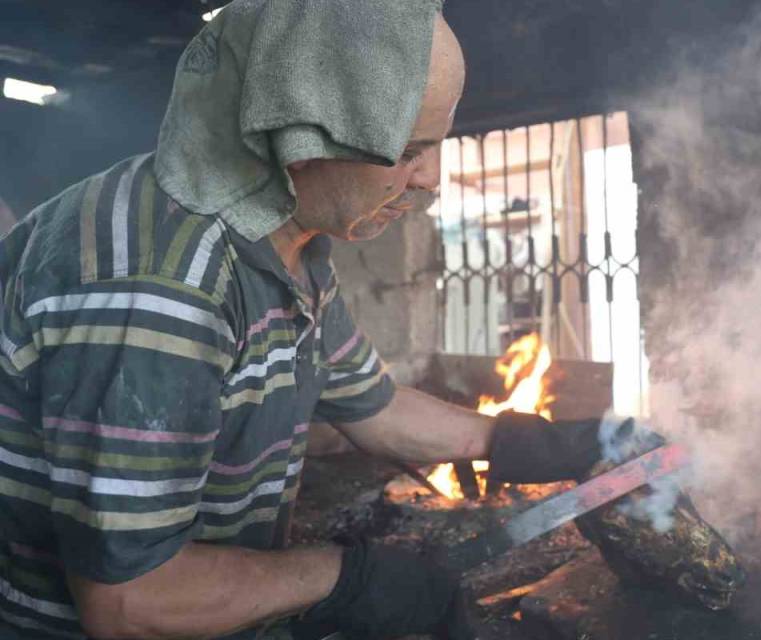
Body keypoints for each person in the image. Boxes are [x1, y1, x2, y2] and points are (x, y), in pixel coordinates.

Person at [0, 2, 611, 638]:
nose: (432, 180)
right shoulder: (162, 284)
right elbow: (130, 603)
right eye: (409, 151)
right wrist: (340, 580)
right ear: (296, 140)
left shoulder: (288, 243)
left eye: (437, 145)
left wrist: (534, 443)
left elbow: (376, 409)